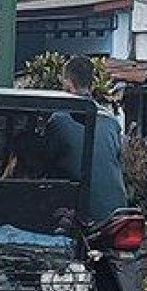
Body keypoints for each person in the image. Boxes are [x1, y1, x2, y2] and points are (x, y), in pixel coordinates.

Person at [45, 55, 128, 223]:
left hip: (79, 216)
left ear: (68, 84)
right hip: (118, 213)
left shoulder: (59, 120)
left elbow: (44, 163)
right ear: (92, 83)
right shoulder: (111, 121)